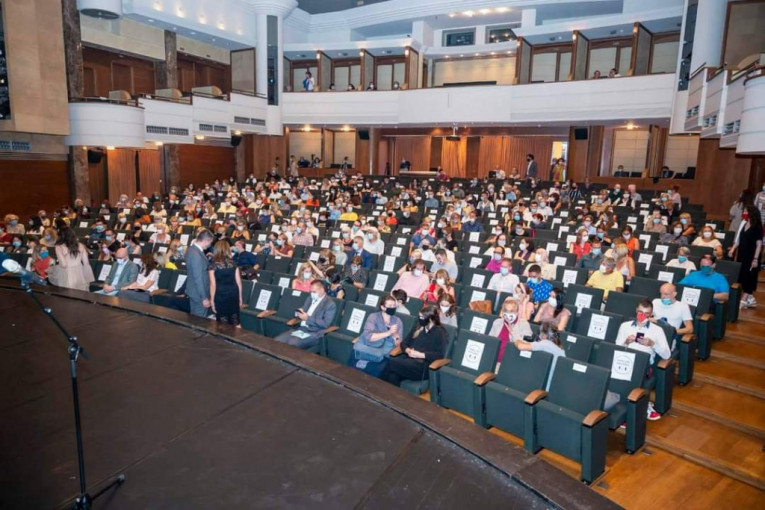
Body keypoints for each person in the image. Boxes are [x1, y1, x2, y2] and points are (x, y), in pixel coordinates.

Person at [615, 300, 671, 421]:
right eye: (640, 312)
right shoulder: (625, 326)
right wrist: (626, 342)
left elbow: (667, 355)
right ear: (636, 310)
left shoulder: (657, 330)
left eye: (646, 314)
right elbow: (616, 348)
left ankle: (637, 410)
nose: (642, 316)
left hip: (643, 364)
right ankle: (621, 410)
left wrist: (652, 344)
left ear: (651, 314)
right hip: (624, 360)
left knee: (631, 374)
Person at [381, 304, 448, 386]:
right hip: (409, 362)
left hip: (423, 367)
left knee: (389, 363)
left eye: (422, 317)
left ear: (430, 319)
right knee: (392, 377)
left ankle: (374, 387)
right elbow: (404, 343)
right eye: (419, 316)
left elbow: (440, 355)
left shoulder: (439, 332)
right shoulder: (418, 326)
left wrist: (420, 354)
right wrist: (407, 350)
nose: (420, 319)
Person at [349, 294, 404, 377]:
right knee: (350, 373)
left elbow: (398, 344)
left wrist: (396, 336)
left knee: (376, 373)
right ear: (383, 307)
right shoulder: (373, 317)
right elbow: (369, 337)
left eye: (394, 306)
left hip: (382, 354)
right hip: (366, 348)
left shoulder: (397, 321)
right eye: (390, 306)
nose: (393, 308)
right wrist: (388, 332)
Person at [275, 280, 337, 350]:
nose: (312, 294)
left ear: (322, 290)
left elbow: (325, 324)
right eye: (311, 292)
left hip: (314, 332)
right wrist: (298, 313)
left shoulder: (329, 304)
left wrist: (308, 318)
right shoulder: (309, 298)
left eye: (314, 292)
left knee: (291, 343)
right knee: (277, 341)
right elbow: (303, 311)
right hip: (301, 329)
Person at [728, 205, 762, 308]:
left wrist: (755, 259)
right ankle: (750, 298)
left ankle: (744, 298)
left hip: (752, 255)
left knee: (750, 276)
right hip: (742, 254)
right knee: (742, 275)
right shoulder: (743, 223)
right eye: (744, 211)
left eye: (746, 211)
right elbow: (738, 239)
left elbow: (759, 244)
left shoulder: (757, 226)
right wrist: (733, 249)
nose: (744, 213)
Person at [514, 323, 565, 390]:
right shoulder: (560, 349)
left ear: (544, 336)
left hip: (545, 386)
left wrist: (516, 339)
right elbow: (531, 344)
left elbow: (521, 346)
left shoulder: (545, 343)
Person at [489, 298, 533, 369]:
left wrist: (513, 334)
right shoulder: (497, 322)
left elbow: (527, 346)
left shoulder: (524, 324)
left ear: (517, 312)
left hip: (512, 364)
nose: (508, 314)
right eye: (506, 311)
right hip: (493, 361)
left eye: (511, 311)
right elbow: (490, 341)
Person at [207, 240, 243, 326]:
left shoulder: (212, 265)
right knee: (236, 321)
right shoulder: (233, 263)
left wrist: (212, 300)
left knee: (223, 323)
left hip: (220, 295)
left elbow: (213, 285)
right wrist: (240, 297)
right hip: (233, 294)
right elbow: (238, 282)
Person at [186, 229, 215, 318]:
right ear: (206, 240)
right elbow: (198, 278)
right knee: (199, 321)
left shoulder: (191, 249)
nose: (210, 245)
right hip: (198, 294)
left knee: (194, 319)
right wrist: (204, 298)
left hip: (194, 291)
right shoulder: (196, 255)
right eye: (210, 242)